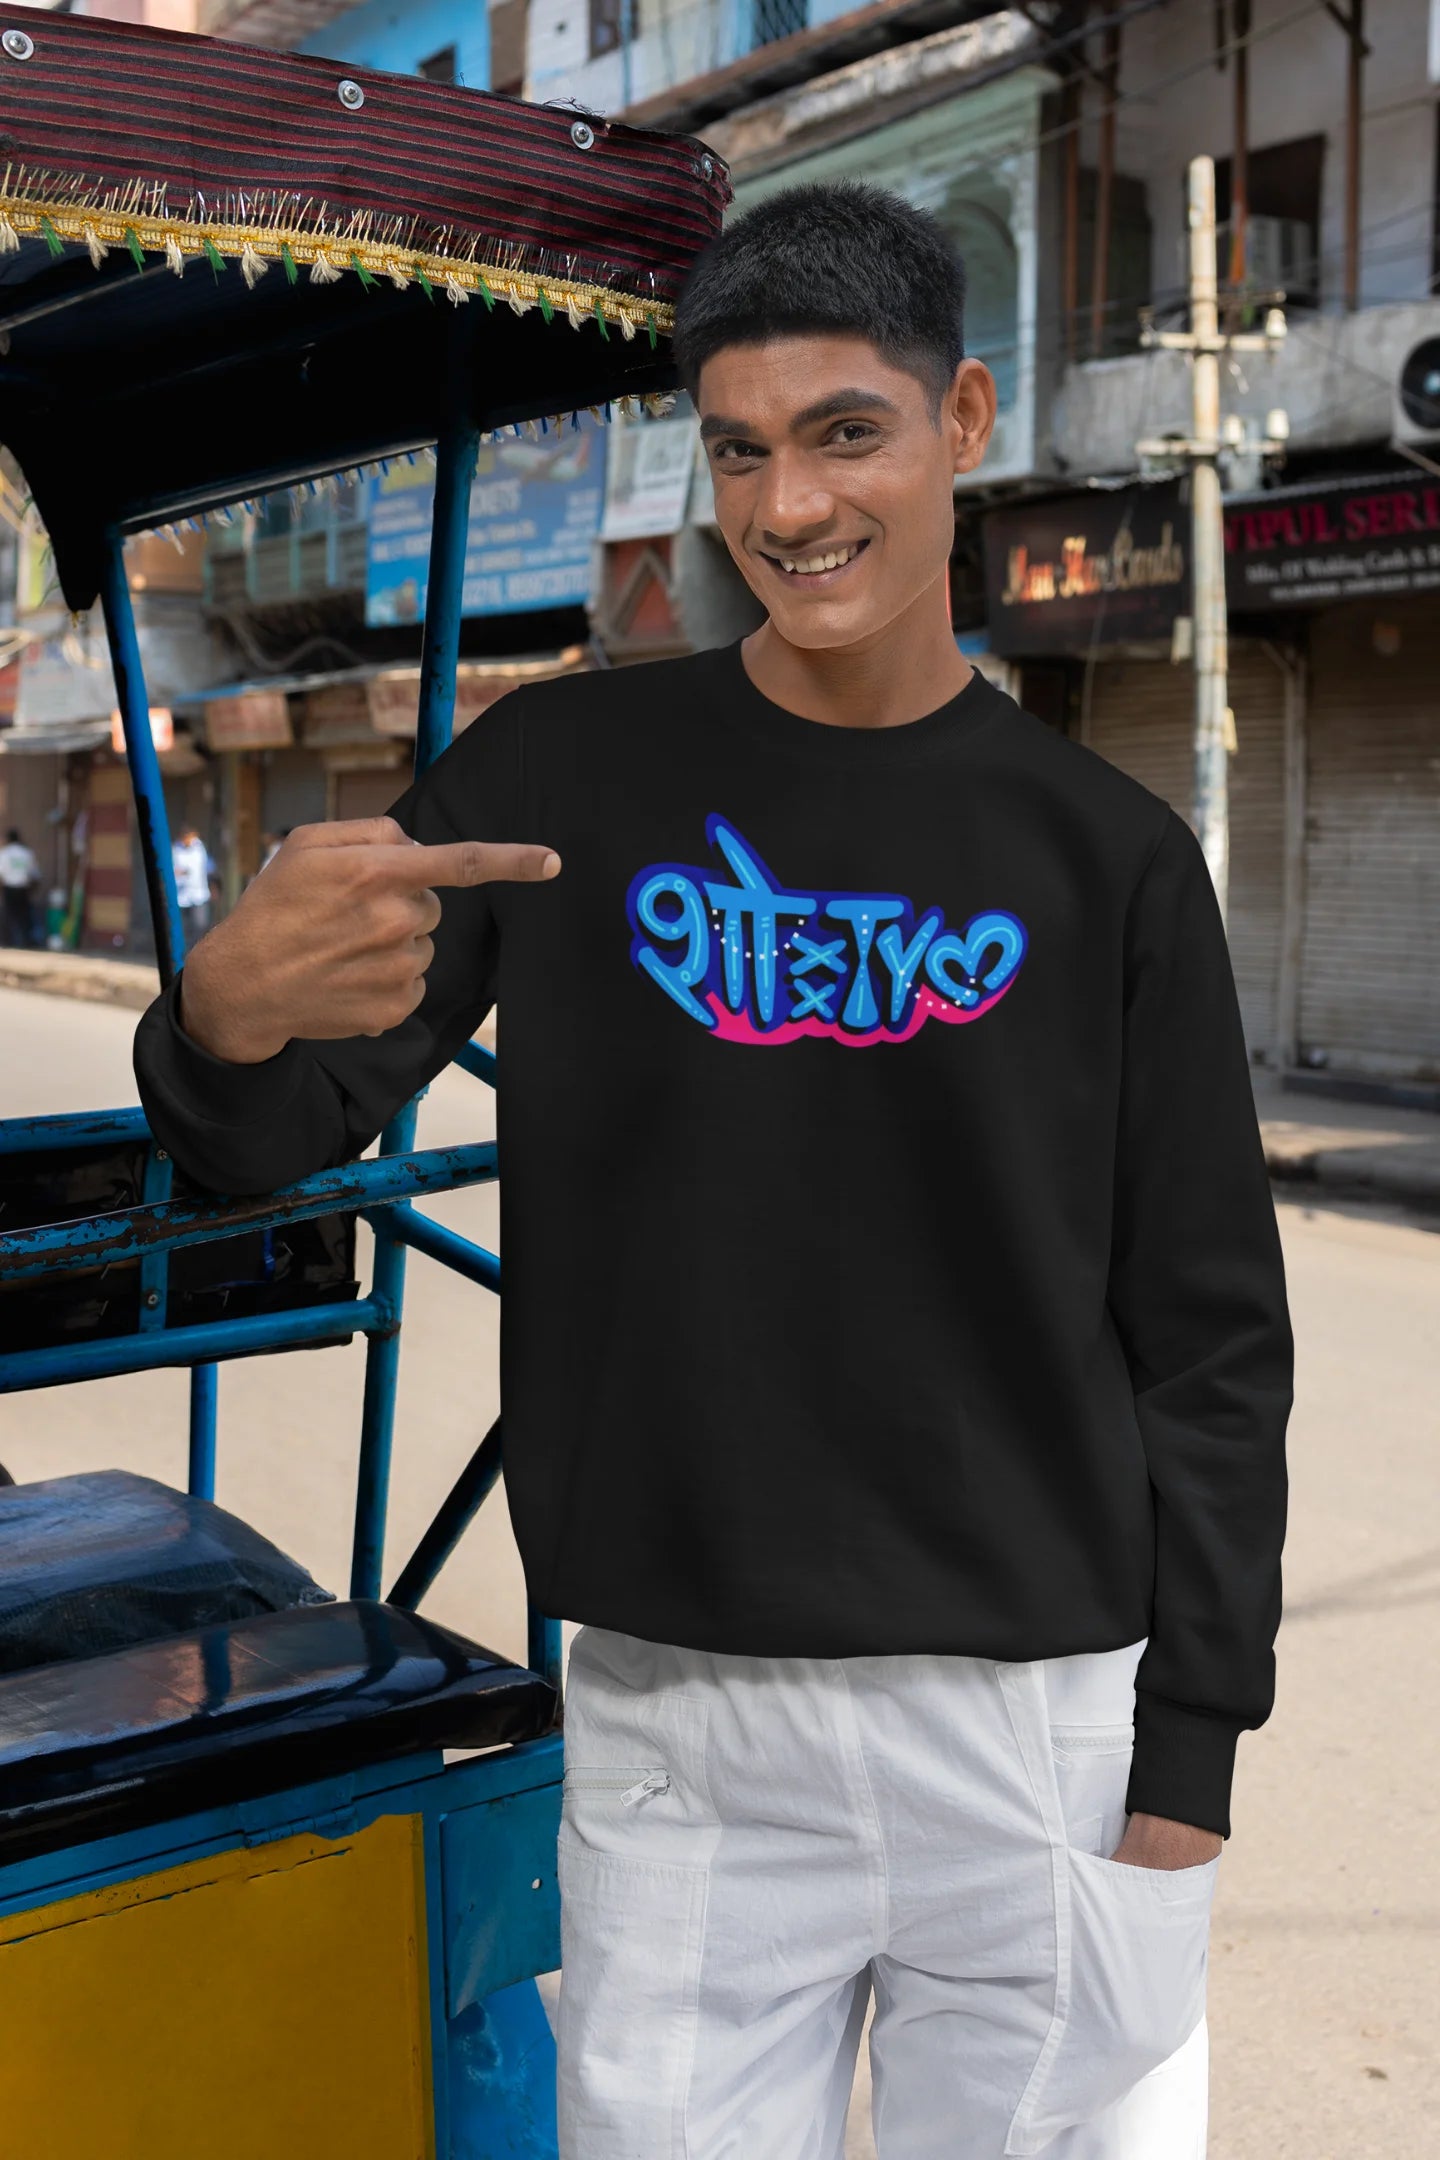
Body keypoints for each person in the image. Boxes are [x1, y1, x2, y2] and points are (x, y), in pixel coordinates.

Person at [133, 182, 1292, 2158]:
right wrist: (223, 1010)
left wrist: (1189, 1756)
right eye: (741, 448)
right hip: (680, 1720)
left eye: (846, 430)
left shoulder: (1105, 854)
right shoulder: (557, 784)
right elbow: (275, 1136)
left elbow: (1207, 1334)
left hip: (1038, 1729)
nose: (790, 505)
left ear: (965, 420)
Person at [171, 823, 215, 950]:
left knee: (200, 925)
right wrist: (179, 872)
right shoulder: (175, 850)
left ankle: (196, 951)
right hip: (181, 895)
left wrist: (213, 885)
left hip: (199, 893)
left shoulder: (200, 848)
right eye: (188, 838)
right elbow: (170, 871)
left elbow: (208, 867)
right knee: (182, 926)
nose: (191, 840)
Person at [0, 827, 40, 948]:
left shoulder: (5, 853)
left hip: (9, 888)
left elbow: (1, 873)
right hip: (23, 888)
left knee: (8, 914)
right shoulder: (27, 853)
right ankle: (26, 941)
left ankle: (7, 941)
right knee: (24, 916)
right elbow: (35, 874)